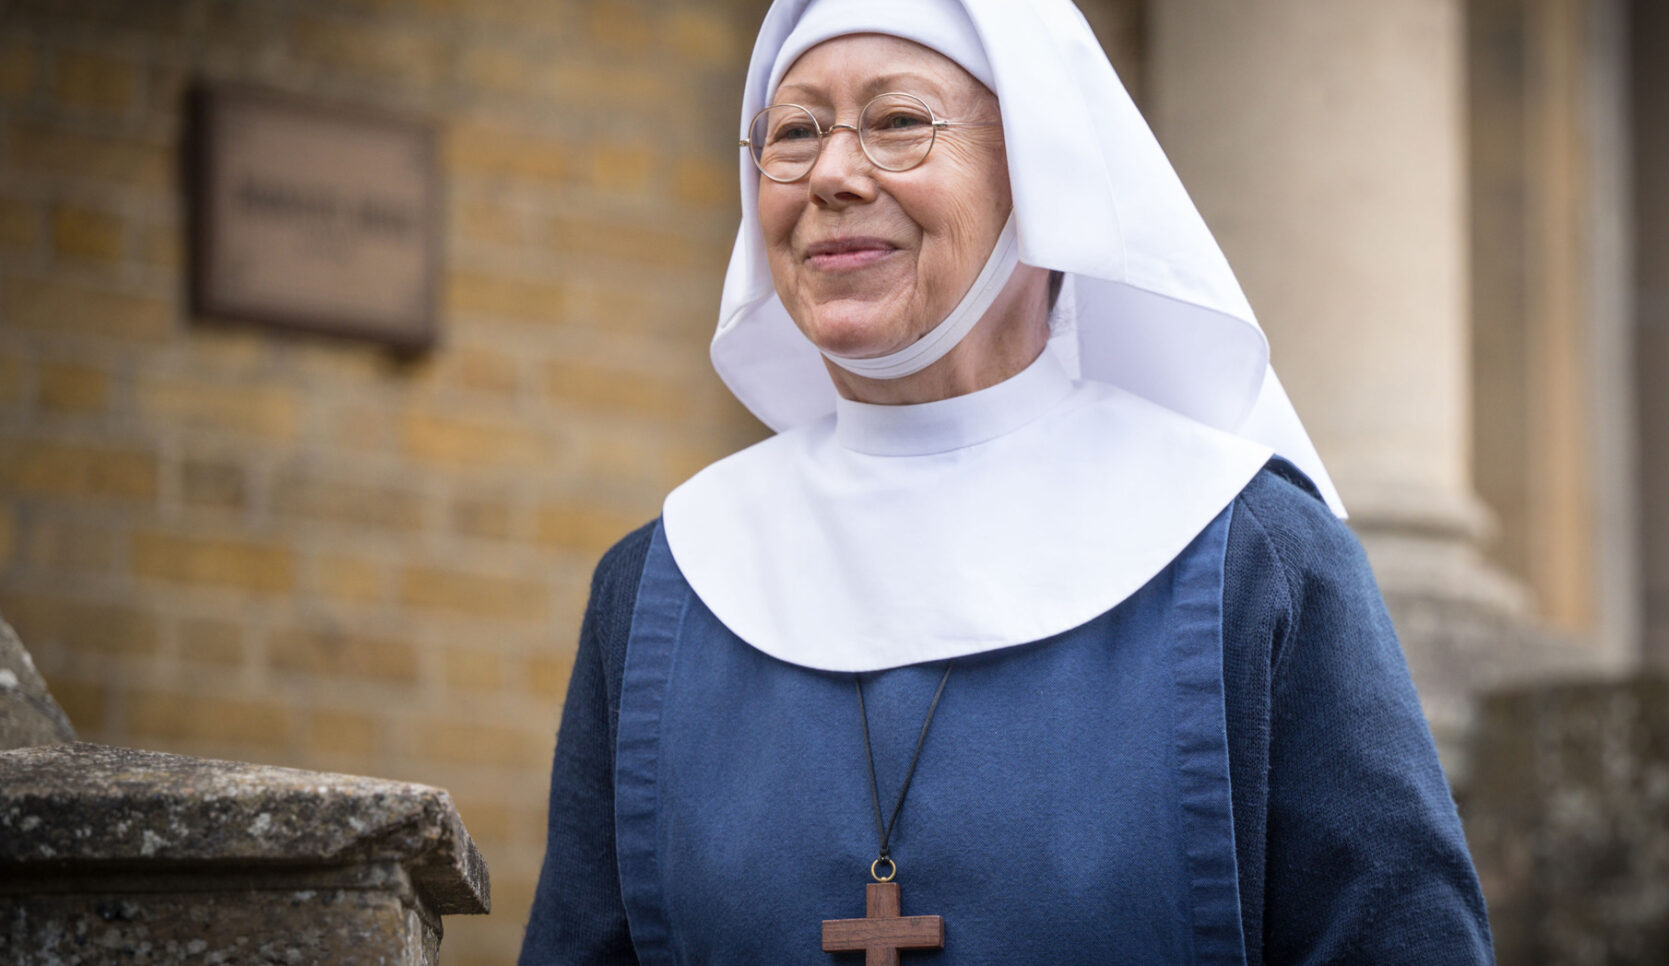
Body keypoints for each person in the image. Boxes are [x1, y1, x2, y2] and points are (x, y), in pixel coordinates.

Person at [520, 0, 1494, 962]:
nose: (830, 173)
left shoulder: (1253, 557)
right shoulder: (662, 585)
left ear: (1041, 170)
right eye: (793, 132)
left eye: (896, 122)